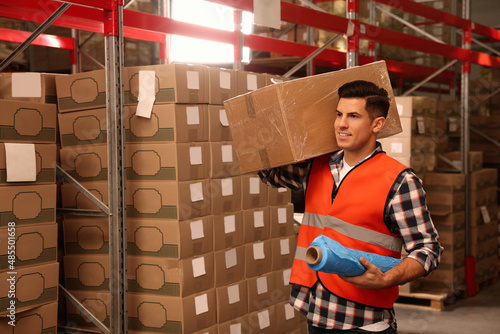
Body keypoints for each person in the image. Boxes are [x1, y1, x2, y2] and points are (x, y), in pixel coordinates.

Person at [258, 80, 443, 333]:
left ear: (377, 124)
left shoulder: (399, 181)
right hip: (316, 309)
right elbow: (268, 171)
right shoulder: (317, 165)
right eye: (339, 114)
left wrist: (387, 278)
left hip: (364, 319)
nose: (341, 124)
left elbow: (428, 250)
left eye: (353, 116)